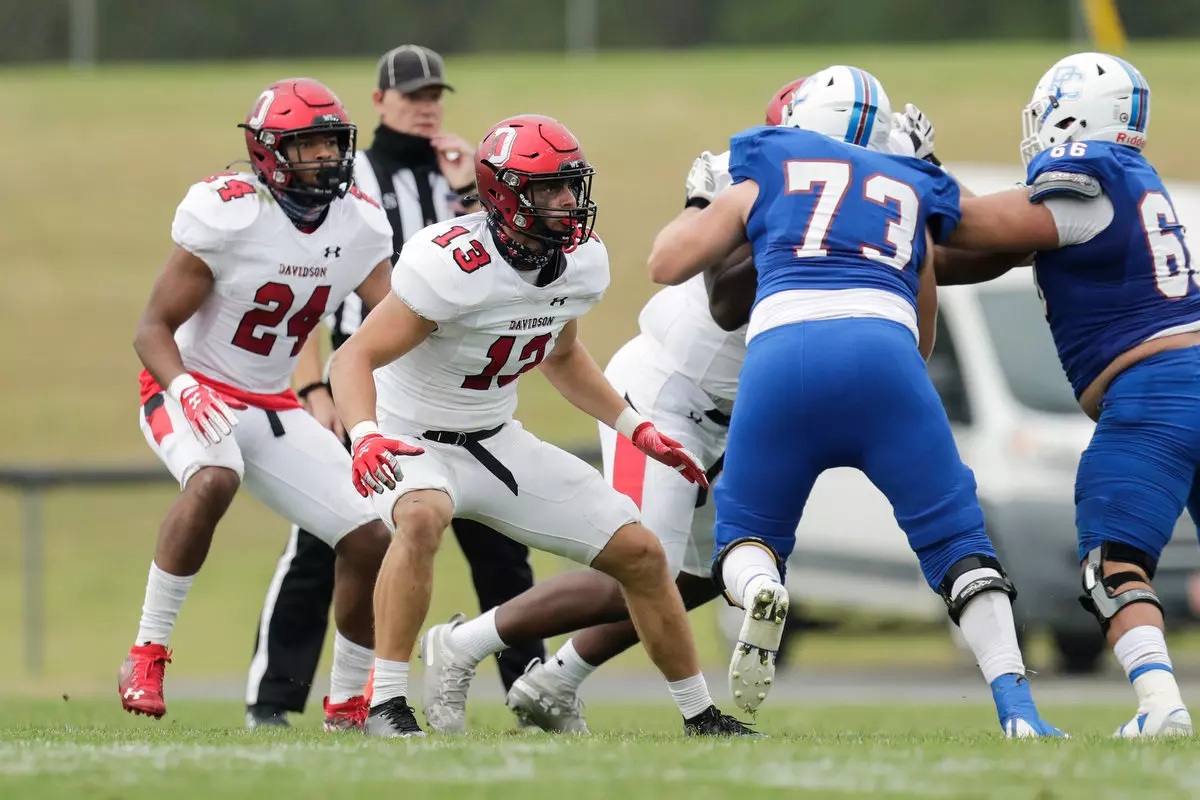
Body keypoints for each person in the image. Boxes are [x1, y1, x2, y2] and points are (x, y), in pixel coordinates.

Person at [425, 81, 964, 735]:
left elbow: (972, 254)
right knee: (639, 562)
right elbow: (725, 298)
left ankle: (557, 680)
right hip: (665, 396)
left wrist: (930, 191)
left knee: (703, 573)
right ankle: (464, 644)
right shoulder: (750, 184)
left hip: (736, 413)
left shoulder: (871, 199)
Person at [644, 65, 1063, 739]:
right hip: (885, 353)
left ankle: (761, 590)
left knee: (744, 537)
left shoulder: (768, 157)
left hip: (783, 352)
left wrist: (704, 206)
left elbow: (667, 264)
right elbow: (934, 300)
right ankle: (1019, 711)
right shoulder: (907, 179)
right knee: (960, 543)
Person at [329, 113, 756, 738]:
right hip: (409, 434)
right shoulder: (451, 262)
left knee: (642, 553)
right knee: (421, 516)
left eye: (570, 185)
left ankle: (700, 714)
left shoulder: (580, 261)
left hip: (495, 437)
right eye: (549, 189)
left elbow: (561, 354)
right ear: (504, 194)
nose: (566, 202)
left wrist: (633, 425)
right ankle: (387, 705)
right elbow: (352, 357)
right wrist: (364, 434)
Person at [245, 44, 545, 730]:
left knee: (496, 541)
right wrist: (314, 386)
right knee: (327, 540)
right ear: (380, 102)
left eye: (435, 92)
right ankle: (273, 698)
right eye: (412, 94)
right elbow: (306, 289)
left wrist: (472, 188)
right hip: (366, 379)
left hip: (449, 385)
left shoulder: (458, 179)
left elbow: (500, 264)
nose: (427, 103)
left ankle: (533, 690)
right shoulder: (349, 178)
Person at [120, 78, 395, 729]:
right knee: (215, 476)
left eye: (332, 143)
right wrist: (184, 386)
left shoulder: (358, 221)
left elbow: (396, 314)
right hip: (191, 386)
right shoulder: (230, 212)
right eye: (307, 146)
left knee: (368, 533)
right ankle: (147, 650)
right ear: (269, 153)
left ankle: (349, 699)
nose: (325, 157)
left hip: (273, 404)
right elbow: (150, 329)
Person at [938, 52, 1198, 738]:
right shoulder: (1128, 182)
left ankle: (1160, 706)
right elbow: (977, 256)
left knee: (1113, 564)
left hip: (1157, 391)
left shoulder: (1089, 172)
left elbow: (978, 227)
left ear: (1075, 114)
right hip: (1185, 370)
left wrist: (911, 181)